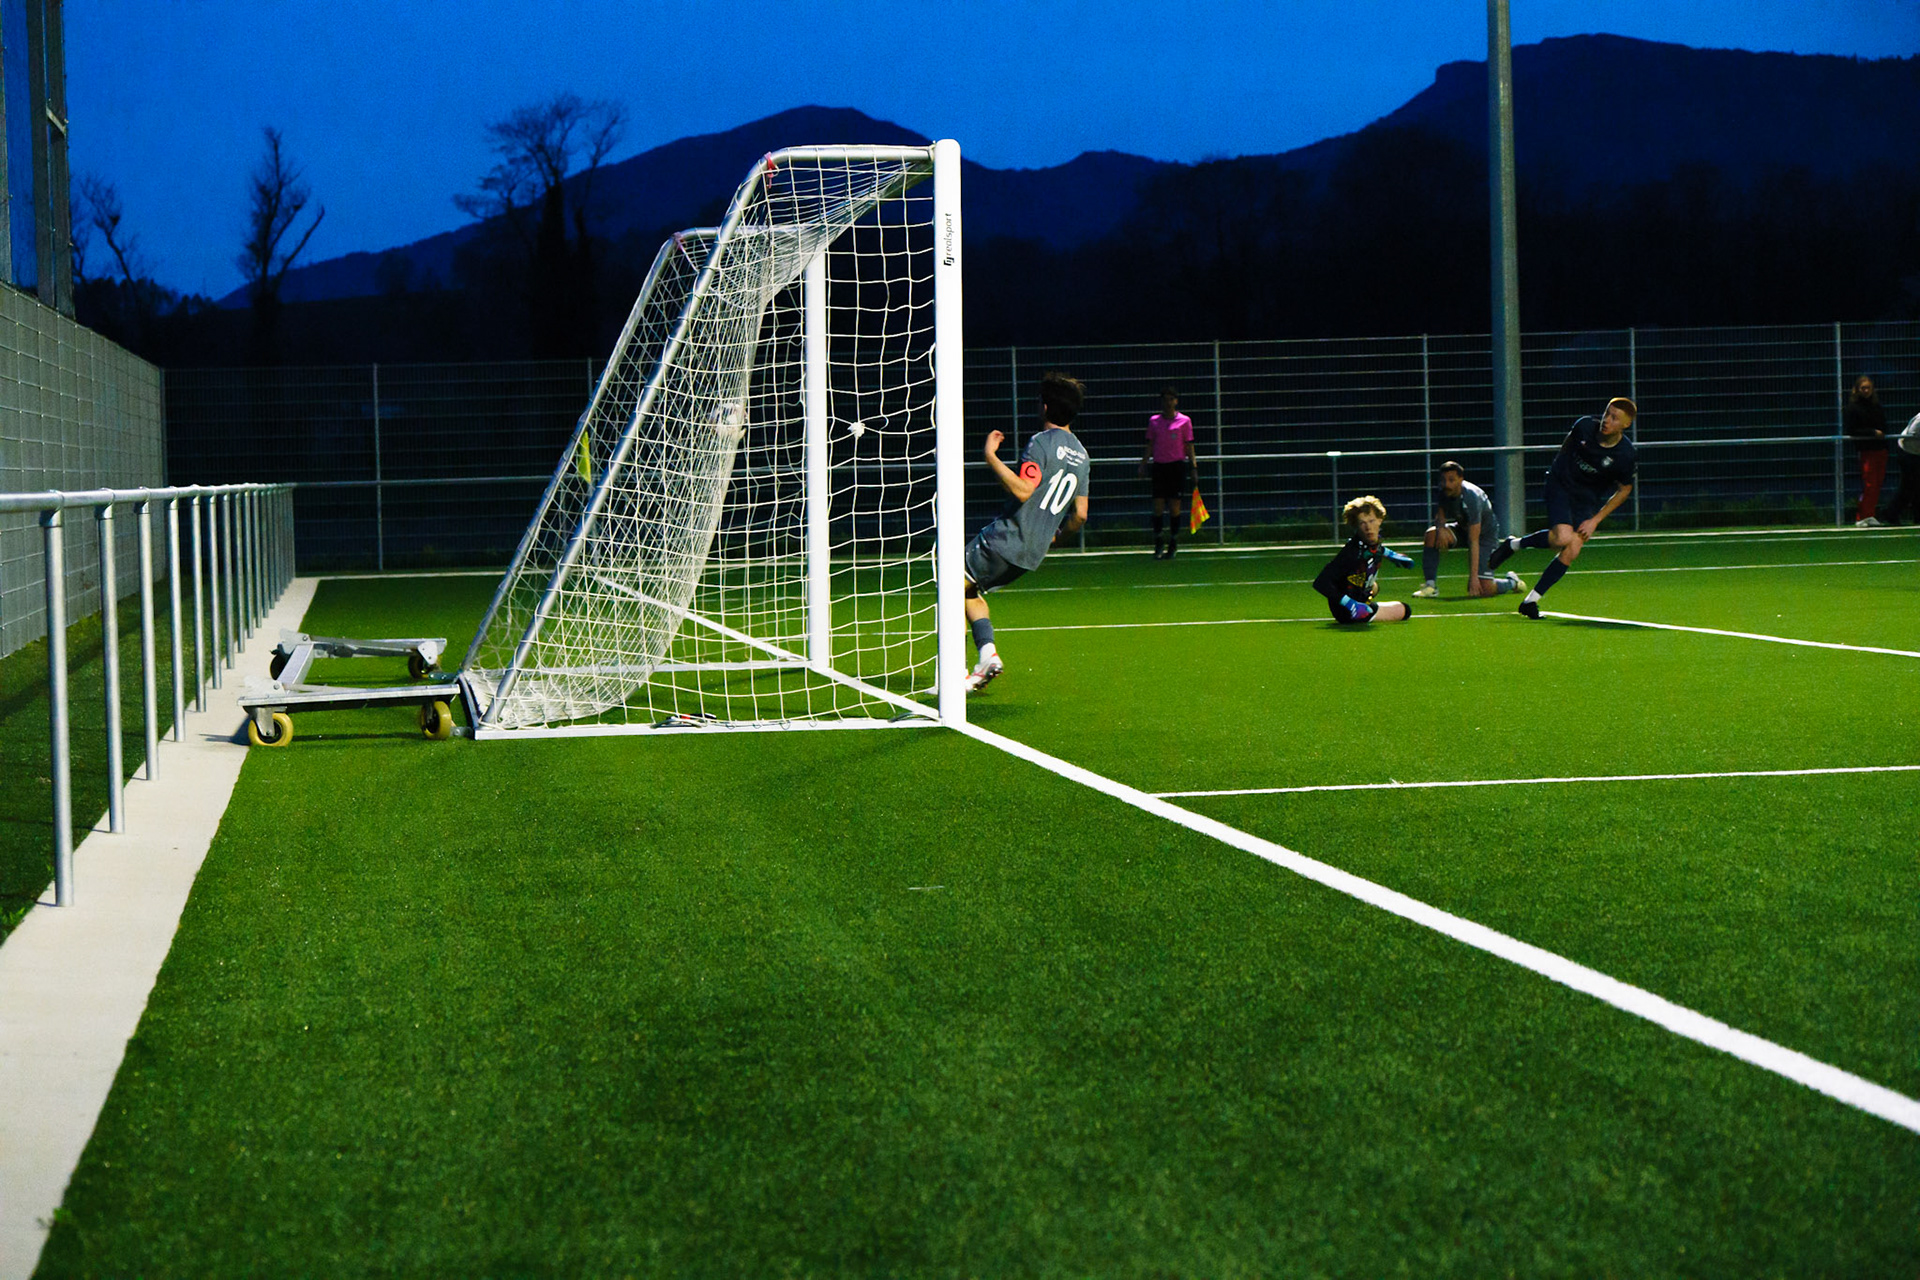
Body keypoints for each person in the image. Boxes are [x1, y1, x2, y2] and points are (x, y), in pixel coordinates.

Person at [962, 371, 1092, 691]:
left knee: (951, 586)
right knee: (967, 590)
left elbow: (1023, 490)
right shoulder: (1082, 456)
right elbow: (1080, 515)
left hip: (1006, 539)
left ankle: (956, 673)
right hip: (1032, 553)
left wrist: (989, 456)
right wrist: (1057, 538)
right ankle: (987, 656)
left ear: (1045, 407)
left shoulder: (1041, 442)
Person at [1488, 397, 1638, 619]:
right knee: (1561, 538)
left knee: (1573, 548)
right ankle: (1515, 544)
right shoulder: (1585, 427)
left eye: (1615, 418)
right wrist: (1558, 473)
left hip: (1586, 498)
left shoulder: (1625, 455)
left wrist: (1595, 520)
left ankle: (1530, 601)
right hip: (1561, 484)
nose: (1607, 420)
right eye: (1607, 413)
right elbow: (1566, 446)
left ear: (1626, 425)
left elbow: (1625, 489)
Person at [1413, 460, 1525, 599]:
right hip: (1462, 529)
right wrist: (1440, 528)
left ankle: (1511, 582)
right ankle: (1430, 586)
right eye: (1444, 480)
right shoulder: (1444, 490)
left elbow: (1474, 540)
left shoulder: (1472, 497)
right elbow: (1440, 514)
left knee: (1485, 589)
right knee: (1431, 534)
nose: (1446, 484)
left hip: (1485, 536)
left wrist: (1473, 578)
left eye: (1451, 480)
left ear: (1461, 479)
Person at [1313, 495, 1415, 624]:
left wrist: (1391, 554)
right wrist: (1350, 604)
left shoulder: (1369, 544)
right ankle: (1363, 609)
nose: (1368, 527)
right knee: (1405, 609)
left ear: (1380, 520)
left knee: (1375, 587)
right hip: (1349, 611)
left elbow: (1377, 548)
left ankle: (1363, 602)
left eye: (1371, 521)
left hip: (1356, 596)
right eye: (1362, 523)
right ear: (1355, 526)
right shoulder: (1352, 553)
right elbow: (1320, 582)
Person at [1139, 385, 1198, 559]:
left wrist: (1193, 467)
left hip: (1176, 467)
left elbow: (1189, 446)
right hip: (1159, 467)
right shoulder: (1154, 421)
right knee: (1157, 507)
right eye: (1165, 400)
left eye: (1171, 399)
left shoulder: (1184, 421)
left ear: (1176, 401)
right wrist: (1143, 464)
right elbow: (1150, 445)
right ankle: (1158, 542)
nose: (1168, 403)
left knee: (1174, 507)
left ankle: (1173, 542)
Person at [1845, 375, 1889, 527]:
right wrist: (1872, 433)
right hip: (1866, 450)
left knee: (1877, 483)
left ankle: (1870, 514)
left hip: (1880, 449)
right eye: (1863, 388)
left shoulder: (1876, 406)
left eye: (1868, 388)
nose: (1866, 391)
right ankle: (1861, 516)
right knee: (1869, 483)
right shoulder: (1853, 408)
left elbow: (1883, 425)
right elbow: (1852, 430)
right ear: (1857, 389)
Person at [1884, 410, 1920, 526]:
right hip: (1908, 451)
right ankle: (1891, 514)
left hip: (1915, 451)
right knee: (1908, 486)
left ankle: (1917, 516)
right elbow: (1910, 434)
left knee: (1915, 487)